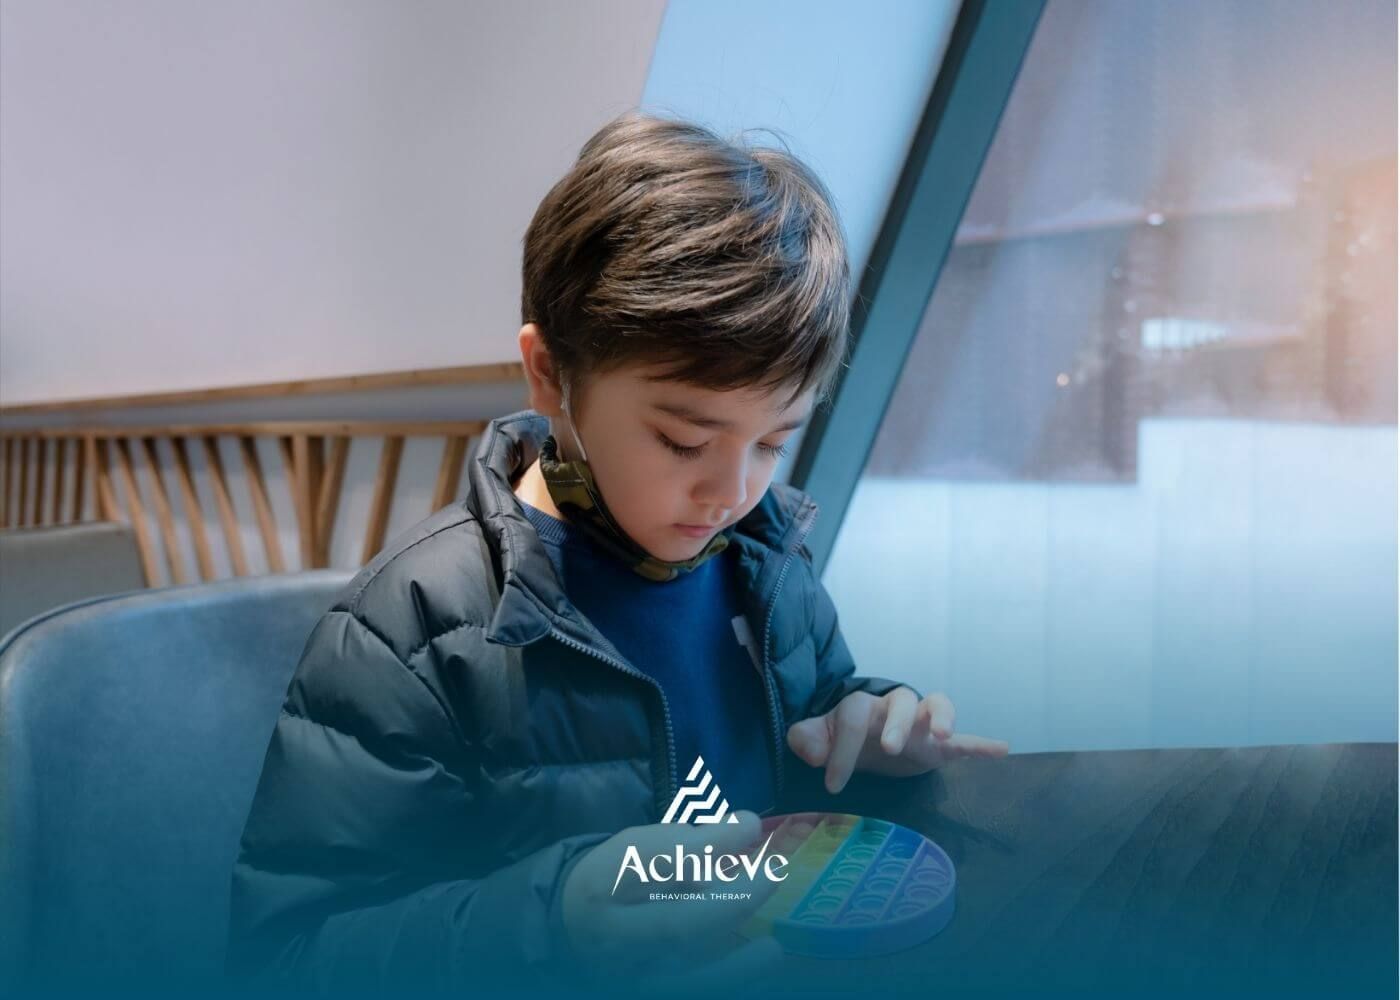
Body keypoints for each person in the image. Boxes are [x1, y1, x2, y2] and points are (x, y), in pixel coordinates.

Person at [225, 109, 1009, 997]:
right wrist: (553, 923)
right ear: (550, 375)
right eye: (683, 441)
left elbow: (804, 752)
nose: (732, 493)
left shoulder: (769, 568)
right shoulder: (411, 634)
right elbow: (282, 959)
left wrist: (862, 731)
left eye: (774, 444)